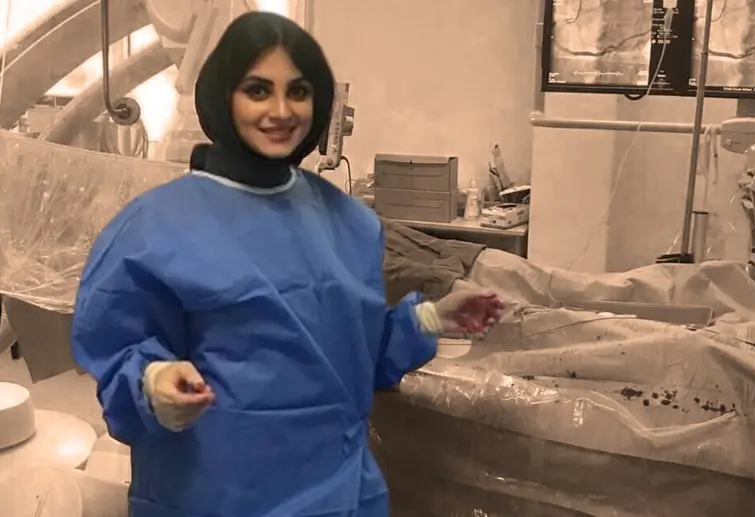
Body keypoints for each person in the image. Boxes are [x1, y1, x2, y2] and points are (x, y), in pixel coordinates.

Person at [70, 11, 504, 517]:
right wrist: (153, 383)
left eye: (298, 91)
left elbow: (352, 360)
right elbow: (117, 350)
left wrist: (431, 319)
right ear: (222, 95)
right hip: (214, 497)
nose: (281, 110)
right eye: (258, 90)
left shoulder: (348, 222)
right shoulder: (156, 228)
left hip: (340, 496)